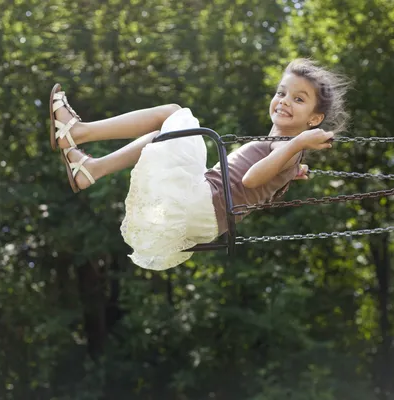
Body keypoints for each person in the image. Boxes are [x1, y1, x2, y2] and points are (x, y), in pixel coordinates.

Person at [48, 58, 350, 270]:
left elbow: (250, 181)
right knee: (163, 136)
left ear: (314, 119)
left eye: (299, 99)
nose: (284, 101)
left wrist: (297, 145)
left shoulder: (288, 145)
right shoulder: (283, 151)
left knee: (173, 113)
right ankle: (90, 169)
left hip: (206, 202)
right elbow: (264, 185)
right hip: (207, 215)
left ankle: (77, 131)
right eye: (281, 92)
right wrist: (289, 172)